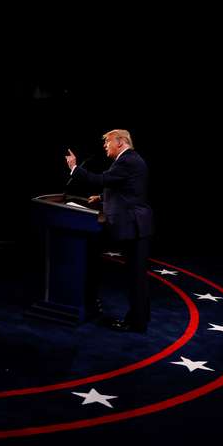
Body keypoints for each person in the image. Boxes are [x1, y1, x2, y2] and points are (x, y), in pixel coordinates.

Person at [66, 129, 153, 333]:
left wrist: (74, 168)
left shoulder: (127, 160)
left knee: (136, 277)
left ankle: (136, 323)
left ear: (120, 142)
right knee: (136, 276)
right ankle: (140, 317)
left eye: (108, 142)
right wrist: (103, 199)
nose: (105, 146)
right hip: (136, 224)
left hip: (135, 226)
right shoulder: (130, 160)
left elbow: (102, 180)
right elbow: (127, 190)